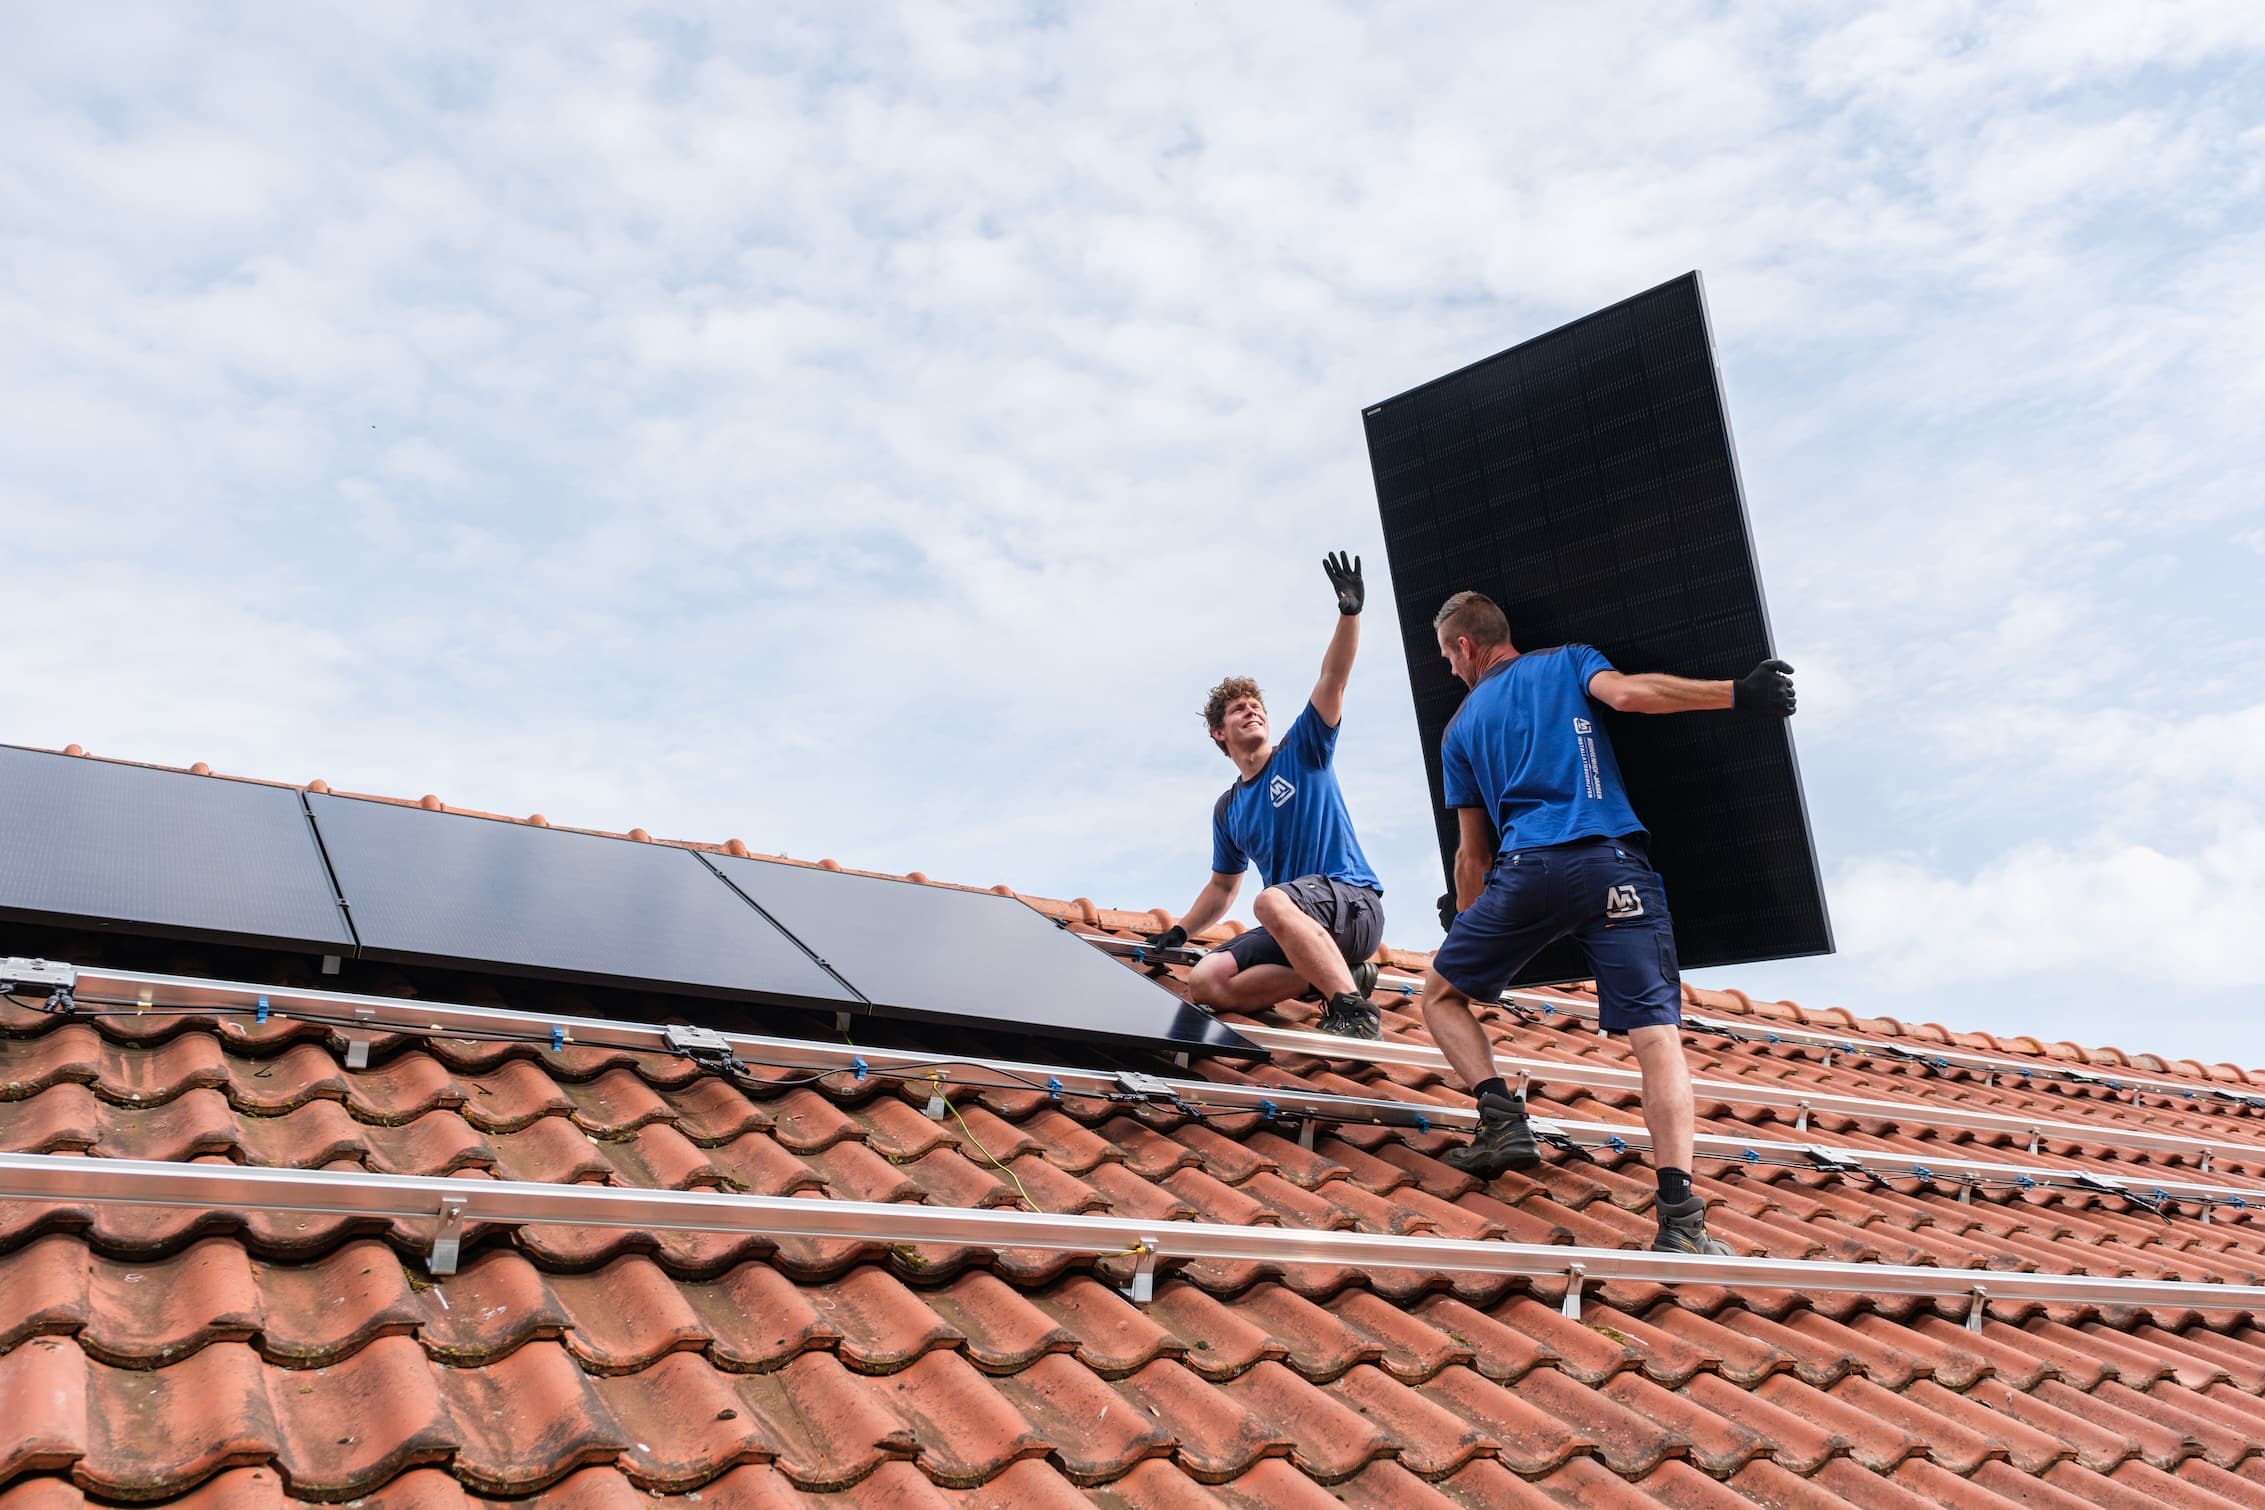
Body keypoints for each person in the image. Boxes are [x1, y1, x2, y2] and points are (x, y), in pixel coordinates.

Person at [1420, 589, 1796, 1255]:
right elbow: (1629, 697)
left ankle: (1500, 1119)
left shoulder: (1458, 729)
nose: (1450, 671)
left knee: (1441, 996)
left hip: (1524, 874)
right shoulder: (1567, 662)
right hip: (1610, 867)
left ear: (1466, 648)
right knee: (1656, 1038)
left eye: (1448, 658)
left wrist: (1470, 924)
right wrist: (1740, 693)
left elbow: (1470, 855)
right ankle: (1679, 1218)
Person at [1146, 552, 1388, 1039]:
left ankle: (1355, 1013)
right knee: (1206, 981)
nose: (1251, 712)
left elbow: (1332, 679)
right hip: (1296, 924)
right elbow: (1221, 888)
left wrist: (1349, 613)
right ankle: (1338, 977)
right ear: (1219, 733)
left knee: (1270, 902)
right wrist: (1181, 932)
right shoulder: (1229, 808)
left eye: (1256, 705)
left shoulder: (1303, 750)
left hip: (1352, 903)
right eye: (1238, 710)